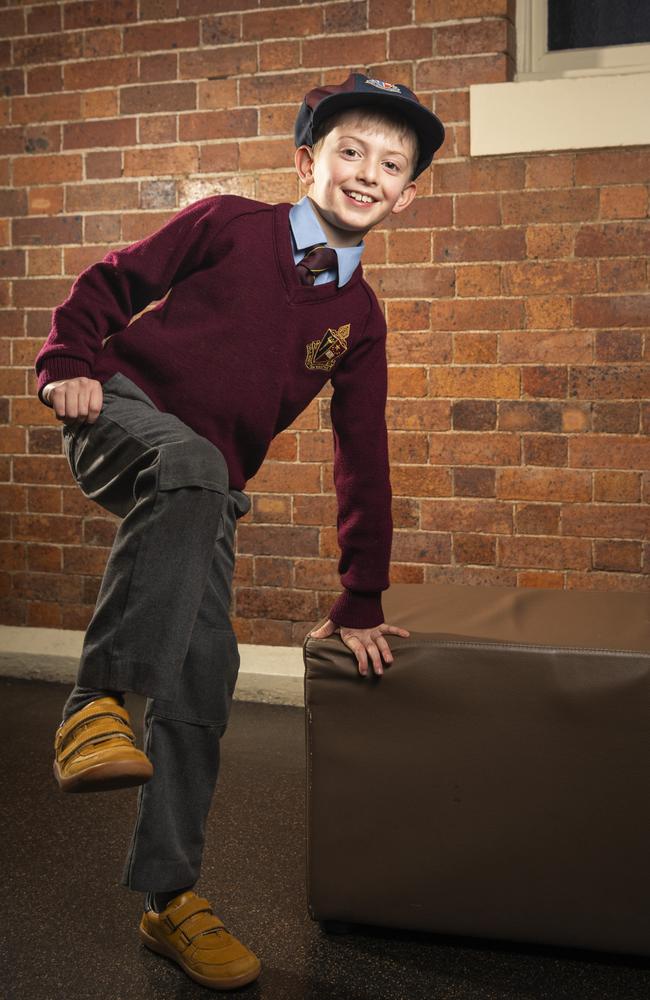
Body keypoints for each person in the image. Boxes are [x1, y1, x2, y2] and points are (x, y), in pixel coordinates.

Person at [34, 72, 445, 991]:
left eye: (390, 164)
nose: (367, 173)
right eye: (349, 151)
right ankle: (92, 706)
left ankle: (170, 898)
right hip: (120, 415)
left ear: (408, 193)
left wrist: (360, 597)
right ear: (308, 162)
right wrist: (67, 361)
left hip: (204, 492)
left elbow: (361, 455)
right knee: (194, 466)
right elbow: (113, 281)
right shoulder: (225, 223)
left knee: (206, 672)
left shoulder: (358, 321)